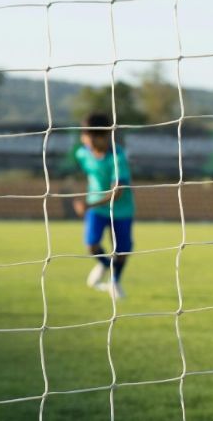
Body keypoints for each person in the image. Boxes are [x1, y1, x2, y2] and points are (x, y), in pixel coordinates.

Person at [72, 112, 134, 300]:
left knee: (122, 250)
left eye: (89, 137)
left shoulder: (117, 157)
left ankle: (114, 281)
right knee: (91, 244)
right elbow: (87, 175)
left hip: (121, 209)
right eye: (84, 136)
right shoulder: (82, 153)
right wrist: (83, 199)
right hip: (97, 209)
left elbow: (118, 192)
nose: (85, 140)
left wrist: (88, 204)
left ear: (103, 136)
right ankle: (106, 265)